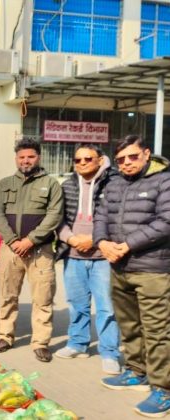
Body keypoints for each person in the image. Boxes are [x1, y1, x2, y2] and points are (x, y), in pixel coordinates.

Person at [94, 135, 170, 418]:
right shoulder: (114, 184)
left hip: (152, 269)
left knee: (157, 330)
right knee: (129, 325)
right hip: (120, 267)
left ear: (147, 154)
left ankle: (163, 389)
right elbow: (101, 216)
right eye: (121, 159)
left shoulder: (164, 181)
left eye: (132, 156)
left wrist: (127, 244)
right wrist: (102, 242)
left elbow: (166, 221)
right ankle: (137, 371)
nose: (126, 163)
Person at [0, 138, 63, 362]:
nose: (26, 161)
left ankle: (40, 343)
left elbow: (54, 216)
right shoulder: (4, 183)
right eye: (21, 157)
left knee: (43, 297)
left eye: (30, 156)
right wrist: (13, 241)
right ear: (16, 159)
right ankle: (5, 336)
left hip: (40, 250)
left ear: (38, 157)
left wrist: (30, 241)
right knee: (7, 295)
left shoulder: (51, 184)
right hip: (10, 249)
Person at [54, 144, 121, 375]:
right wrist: (72, 239)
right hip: (73, 255)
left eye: (87, 159)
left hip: (103, 257)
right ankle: (77, 343)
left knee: (107, 307)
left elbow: (118, 220)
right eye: (78, 160)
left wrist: (94, 240)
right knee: (77, 304)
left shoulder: (114, 183)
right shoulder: (67, 185)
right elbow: (58, 219)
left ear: (100, 160)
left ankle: (110, 353)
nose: (82, 163)